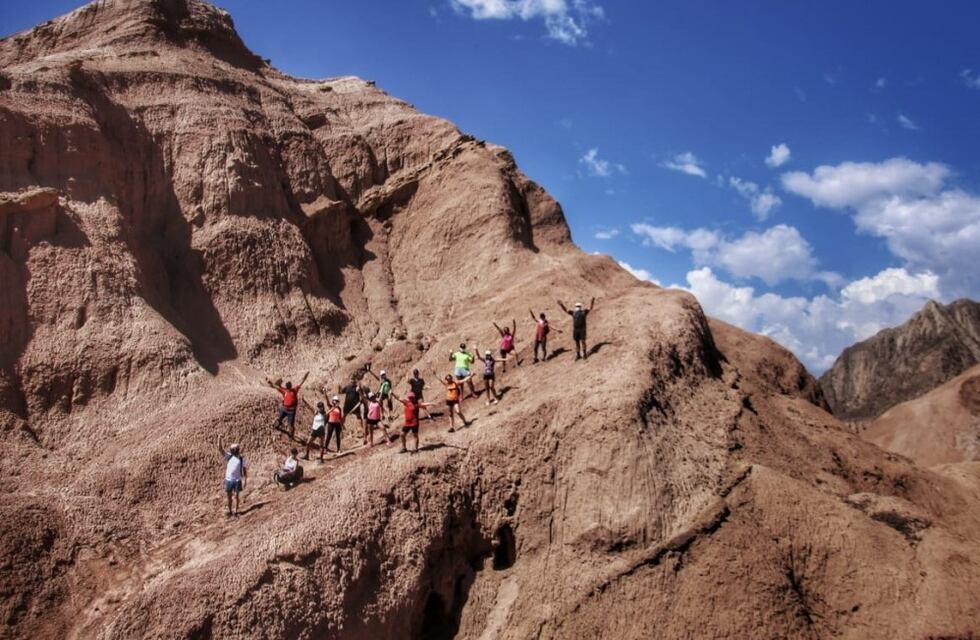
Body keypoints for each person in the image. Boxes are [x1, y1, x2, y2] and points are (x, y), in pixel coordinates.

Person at [266, 371, 309, 439]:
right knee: (280, 418)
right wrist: (270, 382)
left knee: (290, 424)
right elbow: (276, 387)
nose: (288, 386)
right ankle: (276, 426)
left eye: (289, 385)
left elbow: (301, 382)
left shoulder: (294, 390)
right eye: (287, 385)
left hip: (291, 410)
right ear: (287, 386)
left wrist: (305, 376)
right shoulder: (284, 390)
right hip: (284, 408)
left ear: (290, 386)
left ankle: (290, 435)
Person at [217, 442, 247, 517]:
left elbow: (244, 470)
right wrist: (219, 439)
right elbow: (220, 449)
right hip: (229, 480)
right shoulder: (229, 456)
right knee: (229, 497)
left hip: (237, 480)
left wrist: (245, 480)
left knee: (236, 496)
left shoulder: (241, 459)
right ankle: (230, 511)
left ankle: (236, 512)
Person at [339, 374, 366, 443]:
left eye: (353, 380)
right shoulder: (347, 387)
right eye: (351, 380)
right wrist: (339, 387)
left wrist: (359, 389)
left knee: (360, 418)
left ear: (355, 381)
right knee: (343, 416)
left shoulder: (357, 387)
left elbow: (362, 396)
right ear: (350, 380)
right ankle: (340, 429)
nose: (352, 381)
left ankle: (364, 434)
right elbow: (341, 392)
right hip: (347, 405)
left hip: (355, 405)